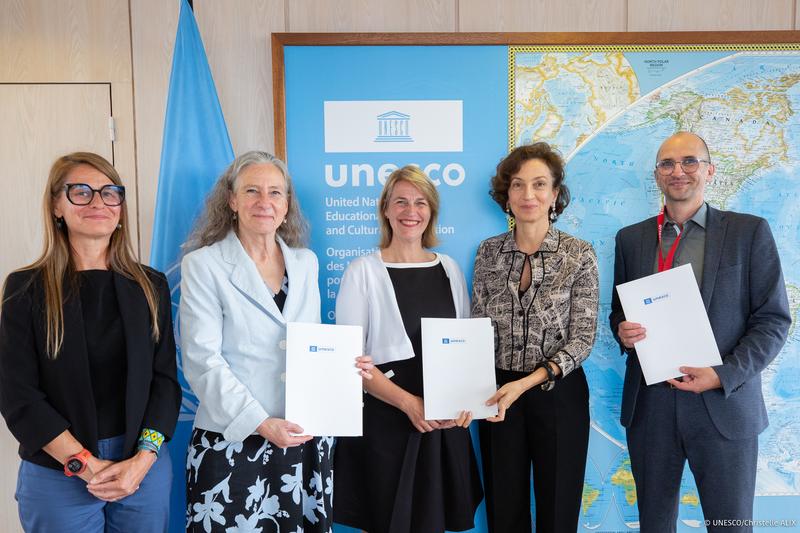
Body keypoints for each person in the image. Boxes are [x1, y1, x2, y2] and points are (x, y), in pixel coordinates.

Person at [180, 151, 371, 533]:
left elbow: (310, 347)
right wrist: (261, 423)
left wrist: (344, 370)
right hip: (232, 438)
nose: (264, 202)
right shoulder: (204, 265)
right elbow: (203, 362)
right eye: (251, 191)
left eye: (275, 192)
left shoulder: (306, 262)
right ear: (232, 201)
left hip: (303, 439)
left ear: (287, 204)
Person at [610, 132, 791, 532]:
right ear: (656, 176)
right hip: (652, 409)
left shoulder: (749, 233)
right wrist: (622, 332)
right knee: (655, 525)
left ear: (709, 170)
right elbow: (618, 313)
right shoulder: (631, 239)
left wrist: (722, 375)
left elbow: (773, 320)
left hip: (724, 406)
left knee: (730, 526)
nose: (678, 171)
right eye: (667, 164)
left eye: (689, 161)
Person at [0, 152, 181, 531]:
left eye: (110, 193)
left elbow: (164, 383)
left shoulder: (151, 286)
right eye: (81, 192)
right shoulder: (25, 289)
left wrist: (143, 459)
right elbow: (17, 394)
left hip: (142, 468)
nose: (98, 202)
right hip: (58, 470)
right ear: (56, 206)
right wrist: (84, 464)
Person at [333, 165, 483, 533]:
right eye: (400, 201)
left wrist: (463, 407)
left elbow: (465, 351)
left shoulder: (448, 268)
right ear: (385, 209)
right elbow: (351, 363)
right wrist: (408, 403)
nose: (409, 211)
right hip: (387, 423)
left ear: (431, 212)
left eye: (419, 202)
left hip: (441, 425)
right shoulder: (362, 271)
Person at [471, 142, 599, 533]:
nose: (529, 195)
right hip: (497, 397)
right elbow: (477, 329)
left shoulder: (580, 254)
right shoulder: (488, 253)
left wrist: (526, 382)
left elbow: (582, 338)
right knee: (504, 509)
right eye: (518, 185)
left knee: (558, 510)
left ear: (555, 194)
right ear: (505, 196)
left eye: (539, 184)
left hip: (558, 394)